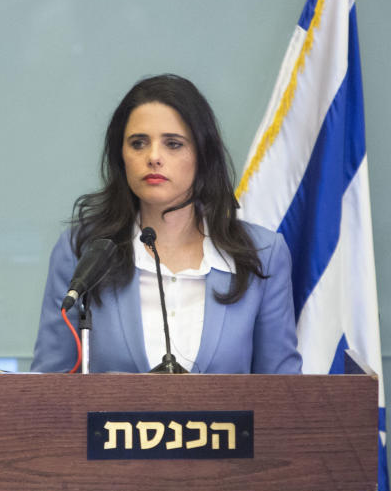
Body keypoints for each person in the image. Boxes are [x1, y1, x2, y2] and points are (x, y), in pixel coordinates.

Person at [31, 74, 301, 374]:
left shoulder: (263, 253)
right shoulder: (82, 251)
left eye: (173, 144)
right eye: (138, 143)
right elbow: (48, 387)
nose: (154, 157)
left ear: (202, 155)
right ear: (121, 157)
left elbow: (284, 393)